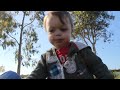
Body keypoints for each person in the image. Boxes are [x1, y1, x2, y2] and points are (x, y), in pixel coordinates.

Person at [0, 11, 114, 79]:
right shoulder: (46, 58)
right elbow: (36, 76)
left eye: (63, 29)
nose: (58, 33)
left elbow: (101, 71)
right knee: (10, 75)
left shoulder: (82, 51)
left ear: (71, 30)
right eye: (52, 30)